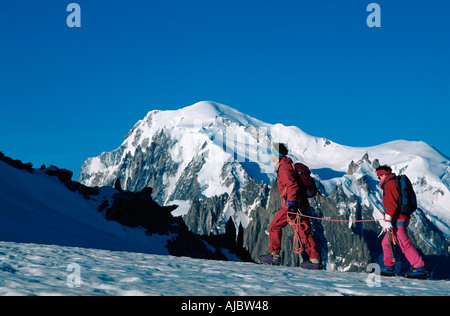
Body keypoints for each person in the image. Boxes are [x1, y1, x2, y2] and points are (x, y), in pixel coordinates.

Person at [259, 143, 320, 269]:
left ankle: (274, 255)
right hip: (300, 204)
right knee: (304, 231)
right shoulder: (286, 165)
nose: (270, 154)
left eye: (272, 152)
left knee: (274, 226)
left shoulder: (284, 167)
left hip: (292, 204)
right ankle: (314, 260)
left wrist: (291, 204)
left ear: (276, 154)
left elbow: (292, 186)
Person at [376, 165, 428, 278]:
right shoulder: (392, 182)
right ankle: (389, 267)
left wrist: (388, 219)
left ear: (383, 174)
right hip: (399, 218)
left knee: (404, 243)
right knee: (386, 243)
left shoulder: (389, 183)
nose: (379, 179)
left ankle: (420, 268)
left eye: (379, 176)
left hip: (398, 218)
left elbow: (392, 205)